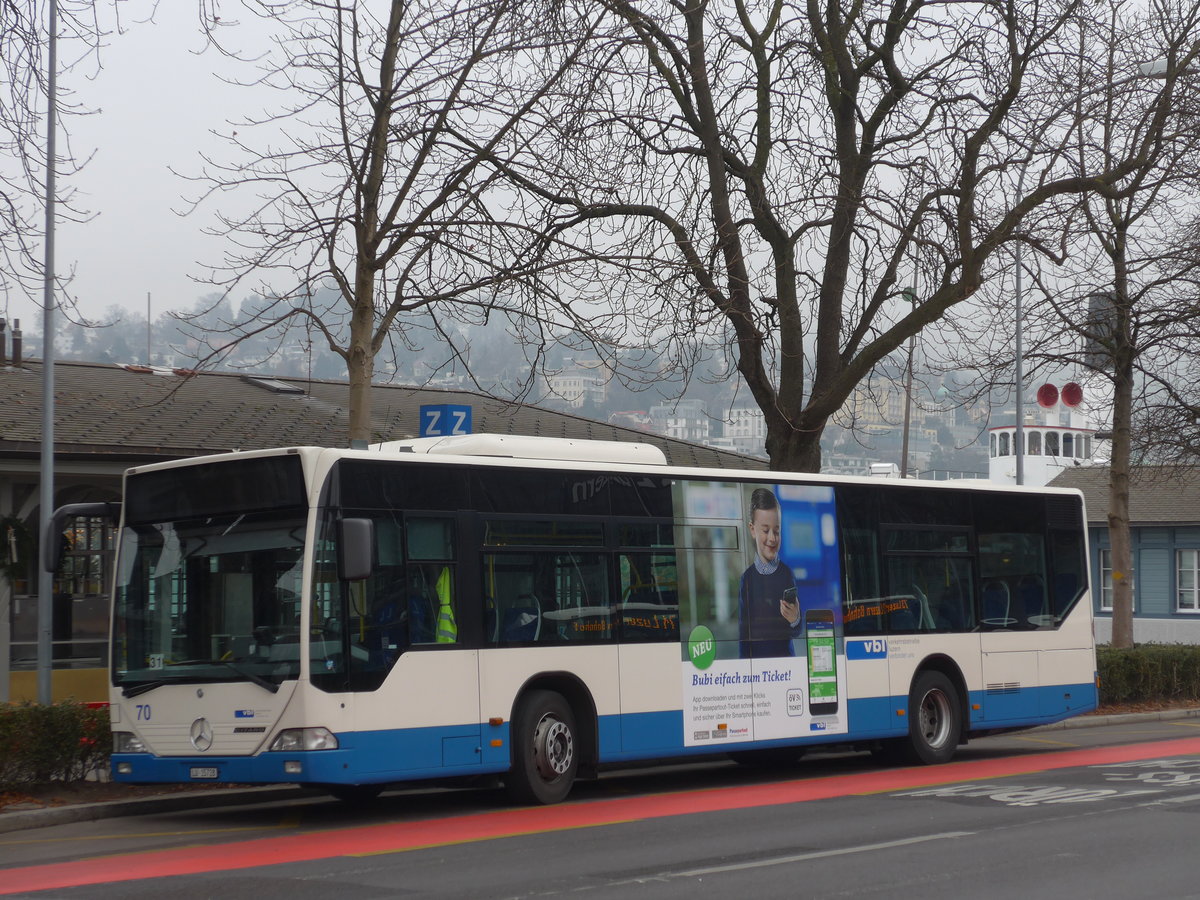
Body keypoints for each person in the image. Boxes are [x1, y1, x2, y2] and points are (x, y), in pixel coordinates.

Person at [738, 487, 801, 658]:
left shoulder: (787, 574)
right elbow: (744, 634)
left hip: (785, 665)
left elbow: (797, 631)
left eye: (777, 531)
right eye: (765, 531)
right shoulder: (747, 579)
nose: (772, 538)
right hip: (757, 667)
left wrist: (794, 619)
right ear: (752, 529)